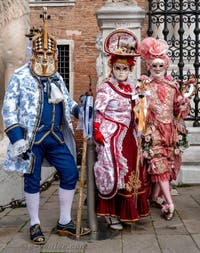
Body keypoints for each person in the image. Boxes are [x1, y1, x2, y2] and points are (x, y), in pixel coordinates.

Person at [1, 9, 90, 245]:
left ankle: (64, 221)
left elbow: (67, 100)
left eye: (49, 54)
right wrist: (17, 139)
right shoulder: (20, 76)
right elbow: (8, 110)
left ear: (53, 55)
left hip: (56, 137)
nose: (44, 58)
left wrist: (79, 111)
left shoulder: (56, 77)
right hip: (31, 140)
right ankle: (34, 224)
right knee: (32, 180)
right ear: (33, 53)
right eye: (40, 54)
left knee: (70, 172)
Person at [93, 29, 150, 231]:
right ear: (112, 67)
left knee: (131, 173)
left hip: (129, 135)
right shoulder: (106, 88)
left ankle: (127, 211)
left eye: (125, 69)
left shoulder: (133, 89)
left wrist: (142, 105)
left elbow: (137, 113)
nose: (121, 72)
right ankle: (111, 214)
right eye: (117, 68)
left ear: (130, 69)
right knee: (113, 170)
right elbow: (98, 113)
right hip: (111, 134)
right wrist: (99, 131)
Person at [139, 37, 194, 220]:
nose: (156, 69)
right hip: (153, 131)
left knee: (167, 166)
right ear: (148, 66)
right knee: (158, 165)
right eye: (153, 65)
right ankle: (170, 204)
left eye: (160, 65)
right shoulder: (144, 86)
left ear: (165, 66)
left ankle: (155, 197)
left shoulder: (172, 86)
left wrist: (183, 103)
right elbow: (138, 112)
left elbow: (178, 109)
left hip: (170, 131)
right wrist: (144, 105)